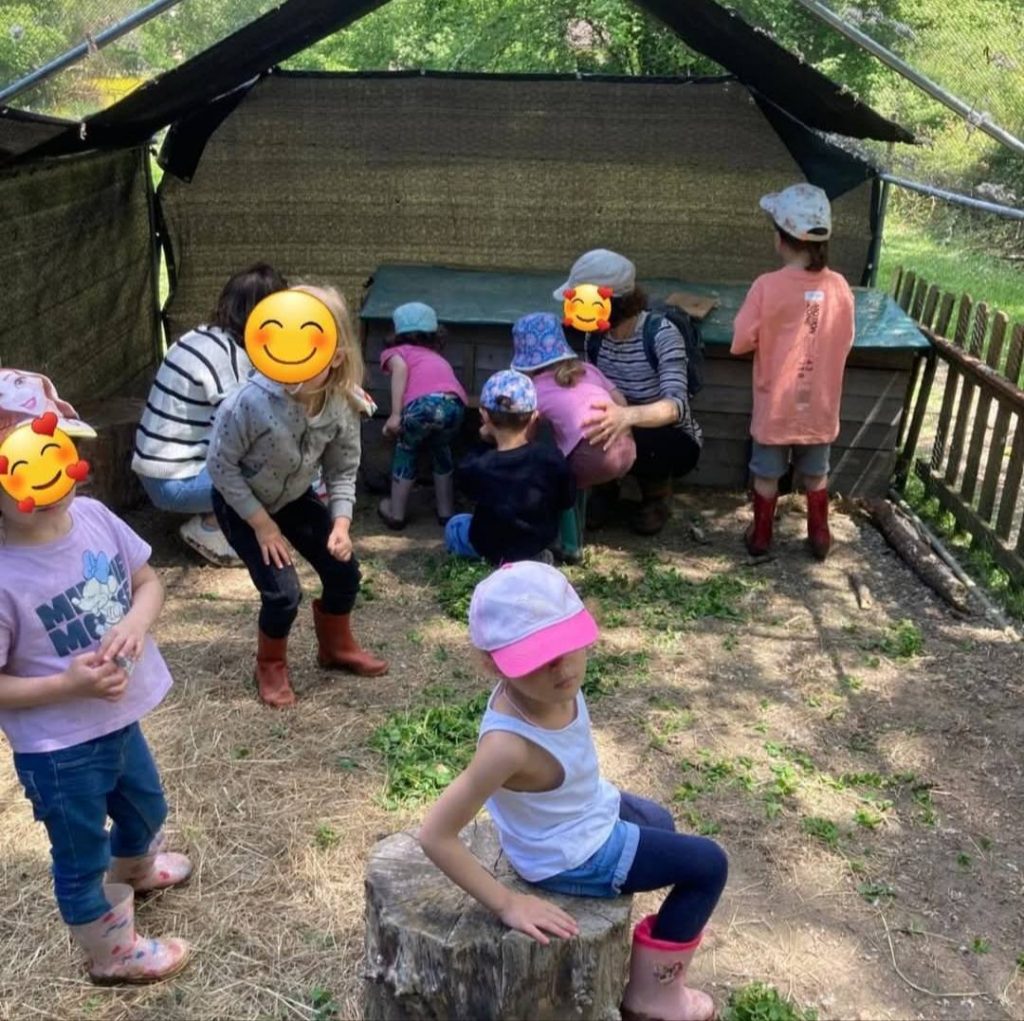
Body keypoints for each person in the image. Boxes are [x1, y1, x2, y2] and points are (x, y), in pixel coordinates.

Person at [419, 562, 727, 1021]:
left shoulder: (553, 687)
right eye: (536, 658)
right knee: (709, 865)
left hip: (585, 811)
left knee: (659, 820)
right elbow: (434, 834)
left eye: (566, 646)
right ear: (492, 663)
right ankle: (653, 998)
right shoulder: (506, 747)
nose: (561, 668)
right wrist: (506, 904)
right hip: (572, 853)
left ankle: (648, 959)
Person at [0, 418, 192, 985]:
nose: (51, 493)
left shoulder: (95, 518)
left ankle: (133, 871)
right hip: (58, 748)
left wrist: (136, 620)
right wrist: (68, 685)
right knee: (82, 855)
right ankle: (113, 954)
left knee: (146, 808)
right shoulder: (5, 577)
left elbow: (149, 583)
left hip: (116, 719)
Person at [207, 284, 388, 709]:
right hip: (242, 503)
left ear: (336, 354)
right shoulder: (247, 403)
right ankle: (270, 666)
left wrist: (341, 525)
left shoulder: (344, 403)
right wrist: (261, 524)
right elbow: (220, 467)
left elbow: (343, 469)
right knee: (283, 593)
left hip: (293, 497)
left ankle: (336, 648)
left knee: (344, 573)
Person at [132, 263, 287, 566]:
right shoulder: (229, 357)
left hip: (157, 471)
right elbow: (246, 431)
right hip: (174, 482)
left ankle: (217, 515)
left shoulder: (203, 336)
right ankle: (210, 528)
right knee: (279, 469)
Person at [731, 183, 855, 561]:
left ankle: (761, 537)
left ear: (781, 238)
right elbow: (846, 339)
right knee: (816, 474)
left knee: (767, 475)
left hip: (776, 406)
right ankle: (820, 536)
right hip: (819, 405)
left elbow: (740, 341)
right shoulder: (839, 287)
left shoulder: (766, 286)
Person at [556, 249, 702, 537]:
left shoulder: (660, 333)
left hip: (664, 432)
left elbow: (677, 406)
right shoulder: (595, 336)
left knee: (649, 441)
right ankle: (605, 489)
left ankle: (656, 496)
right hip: (614, 419)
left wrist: (626, 416)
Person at [445, 370, 575, 565]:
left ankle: (497, 561)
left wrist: (485, 442)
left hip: (491, 548)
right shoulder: (551, 458)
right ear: (534, 417)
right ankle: (544, 555)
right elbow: (567, 502)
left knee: (455, 525)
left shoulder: (476, 465)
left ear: (484, 415)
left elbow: (467, 486)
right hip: (536, 543)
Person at [378, 302, 467, 529]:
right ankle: (445, 513)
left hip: (423, 406)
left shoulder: (396, 352)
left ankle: (396, 514)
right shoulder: (436, 357)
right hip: (454, 405)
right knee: (441, 450)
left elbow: (400, 370)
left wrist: (396, 415)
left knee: (406, 449)